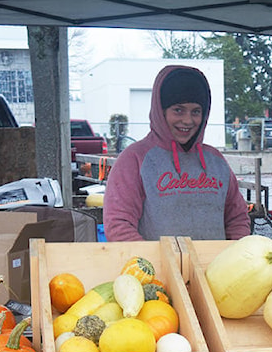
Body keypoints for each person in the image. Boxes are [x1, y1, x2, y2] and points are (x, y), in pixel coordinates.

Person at [103, 65, 250, 241]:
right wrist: (152, 266)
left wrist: (234, 256)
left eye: (196, 111)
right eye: (178, 110)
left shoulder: (215, 160)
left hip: (214, 267)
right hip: (158, 268)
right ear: (161, 111)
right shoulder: (134, 159)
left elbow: (237, 218)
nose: (187, 120)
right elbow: (119, 225)